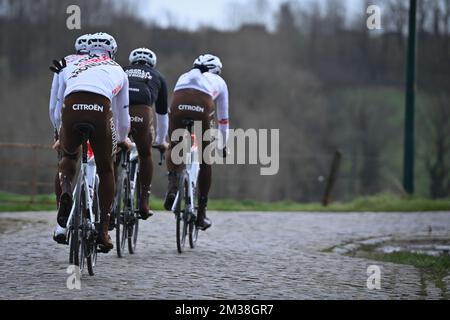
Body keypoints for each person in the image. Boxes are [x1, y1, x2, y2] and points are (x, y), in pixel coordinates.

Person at [50, 32, 132, 252]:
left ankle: (66, 191)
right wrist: (123, 139)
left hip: (72, 107)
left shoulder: (71, 65)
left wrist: (59, 135)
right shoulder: (118, 70)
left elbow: (56, 106)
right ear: (112, 52)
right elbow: (122, 116)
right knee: (106, 170)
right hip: (99, 109)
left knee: (68, 158)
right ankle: (103, 232)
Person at [164, 54, 230, 231]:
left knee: (175, 145)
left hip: (180, 103)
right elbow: (223, 120)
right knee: (205, 159)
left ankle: (172, 185)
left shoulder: (184, 76)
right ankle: (201, 215)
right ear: (216, 70)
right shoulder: (219, 82)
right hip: (202, 106)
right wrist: (223, 145)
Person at [49, 34, 91, 244]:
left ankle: (61, 225)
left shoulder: (65, 63)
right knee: (101, 164)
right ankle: (99, 218)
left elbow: (55, 102)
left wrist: (58, 132)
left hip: (68, 119)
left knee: (66, 163)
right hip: (98, 119)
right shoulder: (104, 64)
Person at [122, 48, 169, 220]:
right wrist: (161, 140)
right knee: (145, 154)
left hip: (119, 112)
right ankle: (144, 201)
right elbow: (162, 115)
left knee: (112, 152)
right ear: (152, 64)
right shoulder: (158, 77)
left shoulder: (121, 71)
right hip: (142, 113)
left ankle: (110, 201)